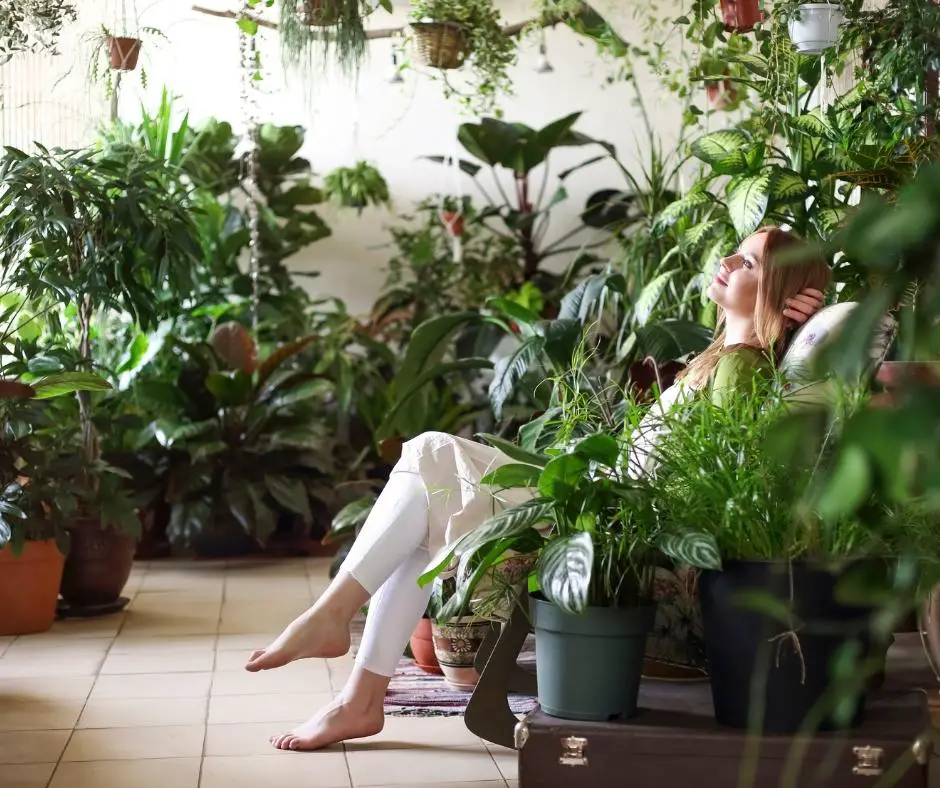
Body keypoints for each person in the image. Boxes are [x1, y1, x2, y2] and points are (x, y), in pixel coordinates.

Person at [244, 227, 831, 751]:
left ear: (779, 294)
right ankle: (357, 693)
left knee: (428, 456)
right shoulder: (719, 358)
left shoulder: (743, 367)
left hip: (613, 528)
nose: (728, 261)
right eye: (736, 250)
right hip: (601, 505)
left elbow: (710, 478)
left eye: (750, 263)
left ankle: (339, 646)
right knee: (427, 492)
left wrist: (805, 324)